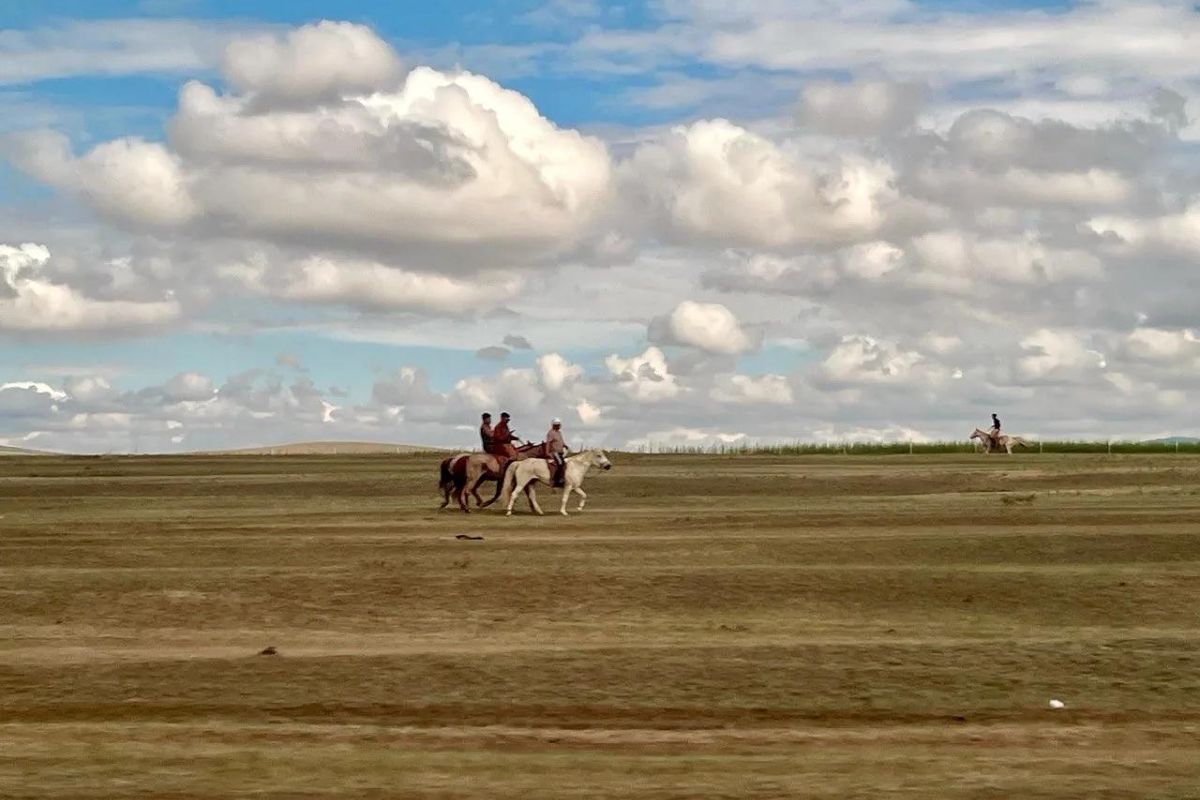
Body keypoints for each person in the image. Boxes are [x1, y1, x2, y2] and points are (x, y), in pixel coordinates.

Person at [546, 417, 568, 488]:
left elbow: (561, 441)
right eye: (557, 425)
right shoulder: (551, 433)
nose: (559, 426)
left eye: (559, 425)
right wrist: (547, 452)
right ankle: (556, 481)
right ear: (554, 425)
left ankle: (562, 478)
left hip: (561, 452)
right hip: (554, 452)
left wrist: (565, 445)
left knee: (564, 463)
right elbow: (548, 443)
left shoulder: (559, 433)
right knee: (560, 463)